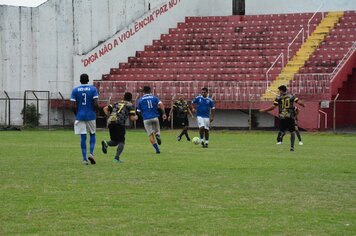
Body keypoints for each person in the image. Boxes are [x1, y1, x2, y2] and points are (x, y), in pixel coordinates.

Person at [259, 85, 304, 151]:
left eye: (279, 90)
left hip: (282, 116)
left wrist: (264, 110)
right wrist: (303, 104)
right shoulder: (291, 96)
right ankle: (292, 147)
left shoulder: (278, 98)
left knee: (282, 130)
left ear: (282, 91)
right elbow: (299, 102)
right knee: (292, 132)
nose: (279, 92)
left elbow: (273, 107)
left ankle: (280, 138)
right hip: (290, 116)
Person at [101, 92, 138, 163]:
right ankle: (116, 158)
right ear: (131, 98)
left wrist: (109, 116)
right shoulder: (130, 105)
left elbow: (105, 108)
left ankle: (106, 143)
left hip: (111, 122)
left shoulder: (116, 103)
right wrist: (136, 117)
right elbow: (132, 118)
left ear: (124, 97)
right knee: (121, 142)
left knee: (115, 142)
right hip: (119, 123)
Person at [70, 73, 99, 165]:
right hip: (91, 115)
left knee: (83, 137)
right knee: (92, 134)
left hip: (80, 115)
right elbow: (95, 104)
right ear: (88, 80)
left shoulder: (75, 90)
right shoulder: (93, 89)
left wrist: (77, 114)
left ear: (80, 80)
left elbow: (73, 106)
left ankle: (84, 159)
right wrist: (96, 112)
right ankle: (91, 153)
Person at [137, 86, 167, 154]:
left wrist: (143, 116)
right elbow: (161, 104)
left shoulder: (140, 100)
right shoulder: (154, 97)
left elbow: (138, 111)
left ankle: (157, 149)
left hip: (146, 119)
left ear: (143, 92)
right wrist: (164, 114)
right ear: (150, 91)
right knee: (157, 131)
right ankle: (158, 135)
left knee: (150, 135)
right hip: (155, 117)